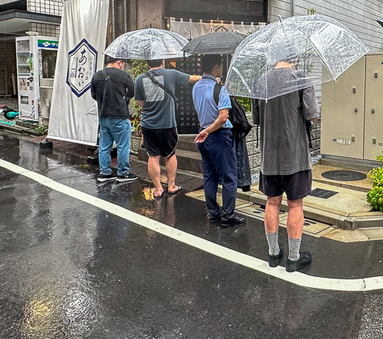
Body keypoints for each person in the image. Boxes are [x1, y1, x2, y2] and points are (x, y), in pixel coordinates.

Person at [254, 51, 319, 273]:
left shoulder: (260, 81)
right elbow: (312, 115)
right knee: (295, 205)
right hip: (295, 156)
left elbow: (256, 118)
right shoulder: (301, 79)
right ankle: (293, 258)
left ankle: (273, 254)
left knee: (272, 202)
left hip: (269, 156)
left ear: (275, 58)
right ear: (296, 59)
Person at [133, 58, 201, 196]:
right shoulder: (171, 74)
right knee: (170, 154)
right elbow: (194, 78)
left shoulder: (139, 79)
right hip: (166, 124)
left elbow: (140, 103)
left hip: (147, 124)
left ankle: (158, 189)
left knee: (153, 156)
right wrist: (213, 79)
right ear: (162, 61)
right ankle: (171, 186)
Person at [192, 55, 245, 227]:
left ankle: (213, 213)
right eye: (220, 66)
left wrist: (204, 130)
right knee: (229, 176)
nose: (221, 69)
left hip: (203, 134)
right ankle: (228, 216)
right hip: (219, 135)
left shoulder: (196, 87)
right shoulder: (219, 89)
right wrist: (209, 131)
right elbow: (223, 118)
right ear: (215, 67)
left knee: (209, 176)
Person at [90, 56, 137, 184]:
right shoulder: (122, 75)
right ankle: (123, 173)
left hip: (103, 116)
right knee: (123, 146)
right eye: (123, 64)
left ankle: (105, 173)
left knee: (104, 146)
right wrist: (124, 97)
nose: (123, 66)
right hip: (119, 115)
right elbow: (133, 91)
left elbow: (93, 95)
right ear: (119, 62)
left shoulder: (97, 76)